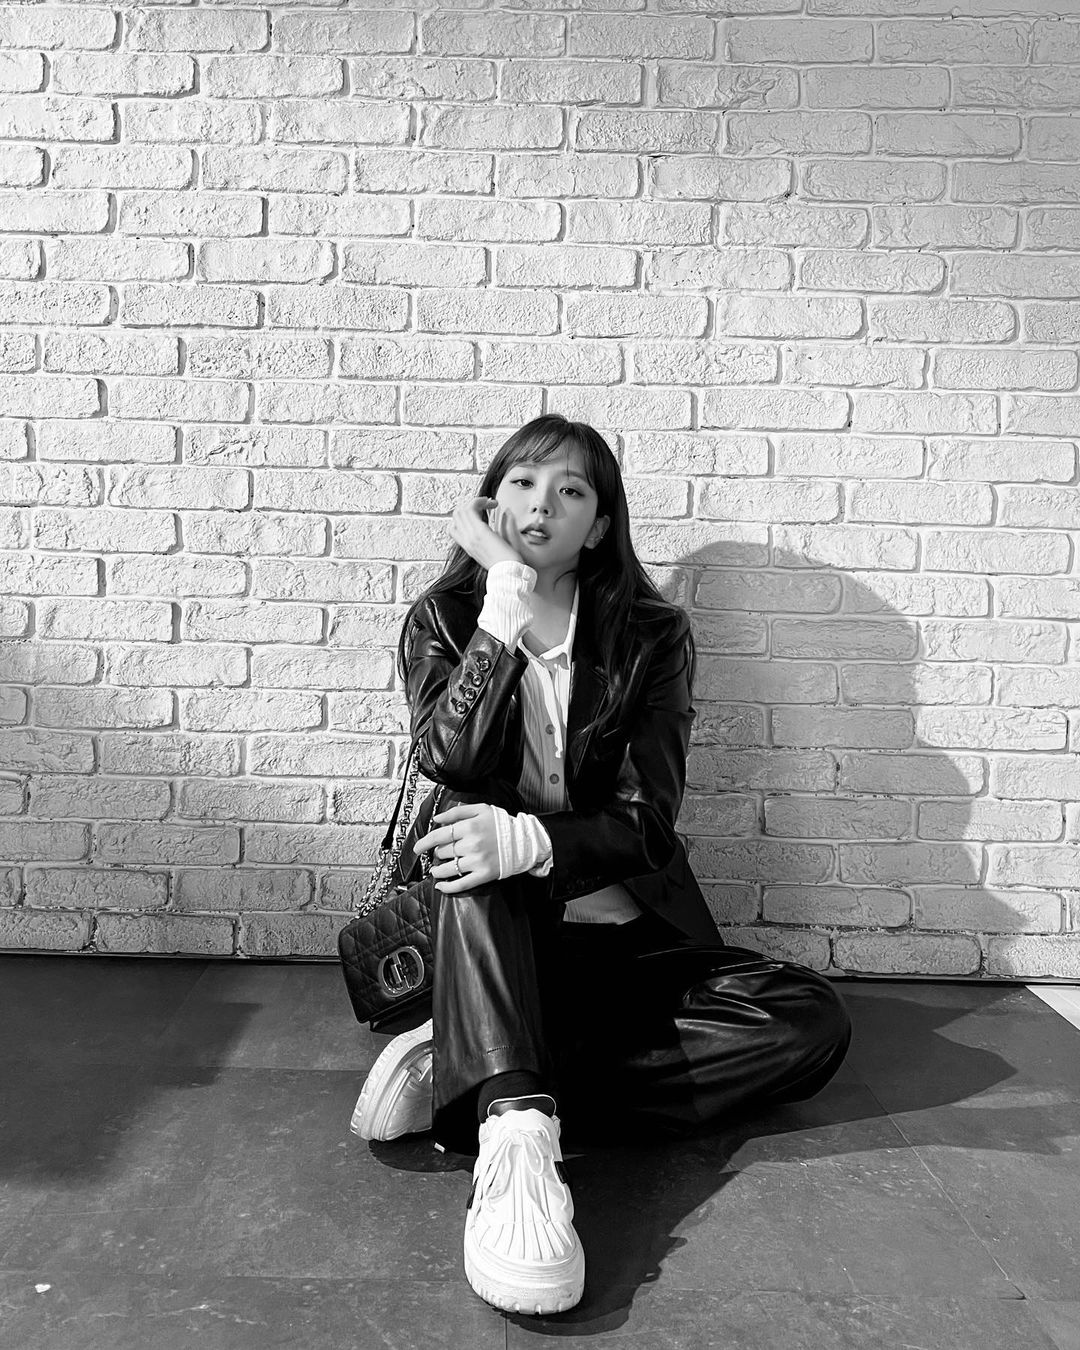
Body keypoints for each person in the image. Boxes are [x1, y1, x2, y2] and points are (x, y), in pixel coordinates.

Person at [350, 414, 851, 1316]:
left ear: (601, 524)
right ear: (490, 505)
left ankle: (482, 1067)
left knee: (809, 1022)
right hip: (493, 929)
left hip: (625, 940)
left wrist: (535, 841)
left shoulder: (652, 635)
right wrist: (503, 601)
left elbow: (648, 820)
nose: (542, 504)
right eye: (523, 483)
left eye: (571, 490)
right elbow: (453, 757)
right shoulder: (446, 616)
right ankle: (514, 1150)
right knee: (472, 845)